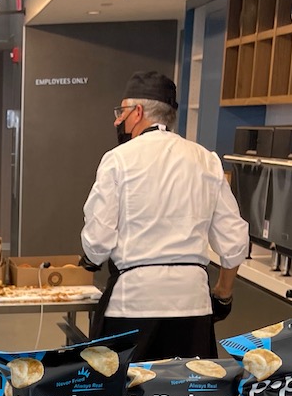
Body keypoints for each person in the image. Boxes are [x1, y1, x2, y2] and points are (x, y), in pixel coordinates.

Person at [79, 70, 248, 360]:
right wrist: (223, 292)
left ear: (138, 111)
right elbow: (234, 242)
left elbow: (98, 242)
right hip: (192, 305)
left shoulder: (118, 159)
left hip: (132, 304)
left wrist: (90, 260)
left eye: (121, 111)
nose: (117, 120)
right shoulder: (205, 159)